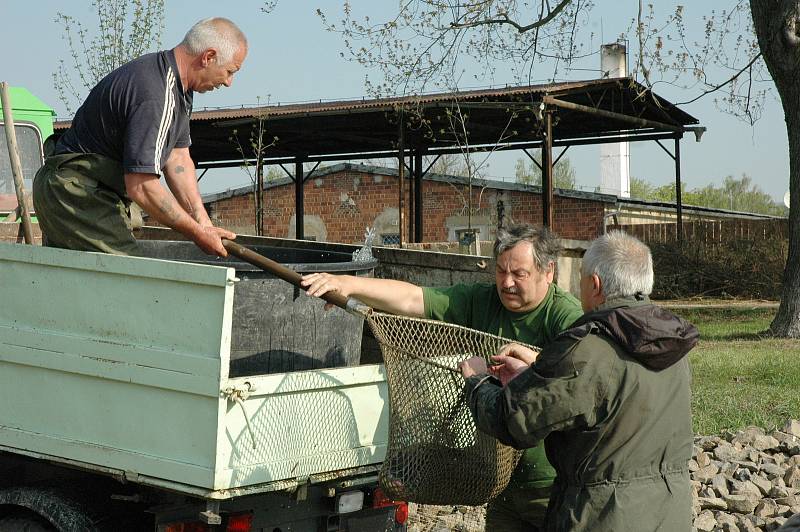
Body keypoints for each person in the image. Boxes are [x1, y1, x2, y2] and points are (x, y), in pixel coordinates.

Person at [302, 223, 584, 531]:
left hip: (550, 484)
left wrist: (533, 362)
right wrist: (348, 284)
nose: (507, 282)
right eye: (501, 271)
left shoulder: (564, 315)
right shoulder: (483, 300)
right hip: (500, 480)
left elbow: (585, 374)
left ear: (548, 272)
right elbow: (413, 299)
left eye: (519, 274)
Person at [459, 230, 698, 531]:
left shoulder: (587, 348)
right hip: (667, 514)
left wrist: (478, 381)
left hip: (602, 517)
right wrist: (532, 376)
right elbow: (611, 401)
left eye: (581, 277)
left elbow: (514, 421)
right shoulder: (670, 342)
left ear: (594, 285)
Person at [33, 17, 247, 256]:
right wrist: (195, 233)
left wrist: (203, 221)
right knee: (130, 283)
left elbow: (178, 158)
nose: (229, 82)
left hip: (84, 191)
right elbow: (142, 186)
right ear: (208, 57)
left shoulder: (179, 89)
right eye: (230, 71)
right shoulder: (154, 94)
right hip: (75, 193)